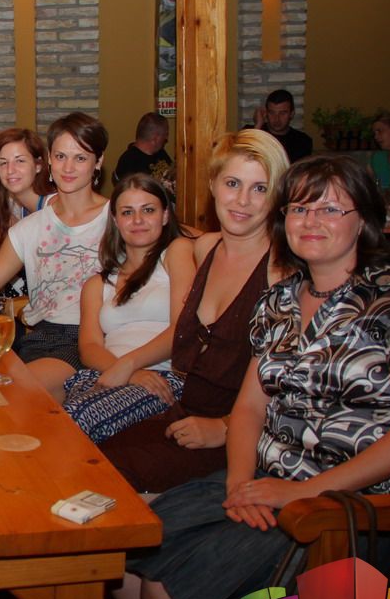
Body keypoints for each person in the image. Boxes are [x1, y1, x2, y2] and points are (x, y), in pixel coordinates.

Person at [117, 155, 390, 599]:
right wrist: (238, 482)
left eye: (330, 209)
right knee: (117, 555)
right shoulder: (278, 301)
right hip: (260, 483)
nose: (311, 220)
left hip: (346, 509)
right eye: (299, 208)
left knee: (167, 588)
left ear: (364, 220)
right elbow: (249, 408)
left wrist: (303, 492)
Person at [101, 130, 291, 493]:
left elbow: (297, 388)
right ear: (213, 184)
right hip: (183, 414)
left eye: (260, 188)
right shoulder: (204, 248)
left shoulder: (281, 271)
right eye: (233, 183)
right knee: (82, 455)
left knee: (110, 479)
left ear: (277, 195)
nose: (243, 200)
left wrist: (224, 426)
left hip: (238, 437)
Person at [0, 113, 110, 401]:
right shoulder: (28, 228)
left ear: (98, 162)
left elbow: (178, 238)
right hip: (39, 337)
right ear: (49, 161)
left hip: (90, 340)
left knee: (10, 395)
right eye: (60, 156)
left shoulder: (118, 218)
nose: (68, 167)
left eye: (80, 158)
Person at [60, 174, 195, 443]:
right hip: (107, 374)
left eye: (148, 210)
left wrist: (131, 364)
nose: (138, 220)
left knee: (73, 421)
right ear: (115, 220)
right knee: (51, 417)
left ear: (165, 216)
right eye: (127, 212)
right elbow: (89, 347)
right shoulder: (97, 284)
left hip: (162, 377)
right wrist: (127, 372)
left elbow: (183, 329)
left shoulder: (176, 252)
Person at [0, 127, 52, 296]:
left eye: (20, 161)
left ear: (38, 165)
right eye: (3, 163)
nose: (10, 170)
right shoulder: (19, 209)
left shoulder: (53, 208)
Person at [250, 88, 313, 162]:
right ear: (266, 113)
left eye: (282, 113)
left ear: (291, 114)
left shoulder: (303, 141)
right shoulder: (252, 133)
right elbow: (245, 158)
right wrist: (258, 125)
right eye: (272, 113)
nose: (276, 119)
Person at [113, 112, 172, 183]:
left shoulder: (160, 152)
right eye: (165, 134)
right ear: (155, 138)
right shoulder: (129, 162)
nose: (166, 138)